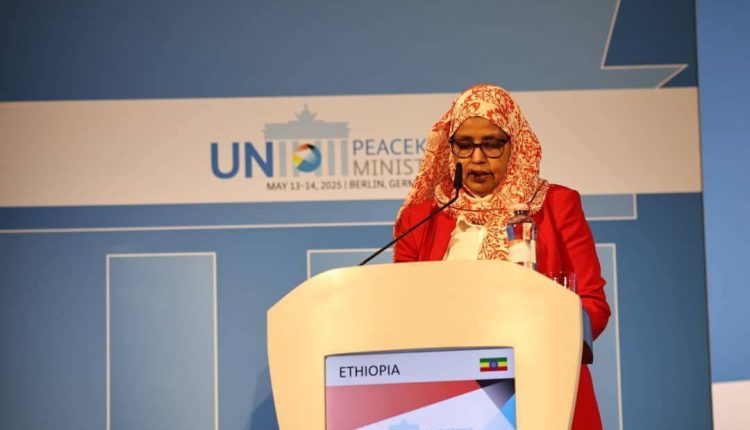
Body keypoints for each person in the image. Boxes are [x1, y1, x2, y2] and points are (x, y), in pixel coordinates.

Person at [394, 83, 611, 429]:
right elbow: (401, 312)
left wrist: (544, 327)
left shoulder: (556, 206)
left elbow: (593, 306)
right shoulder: (419, 220)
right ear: (450, 149)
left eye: (492, 144)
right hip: (447, 396)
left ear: (515, 145)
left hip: (542, 387)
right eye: (464, 144)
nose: (477, 158)